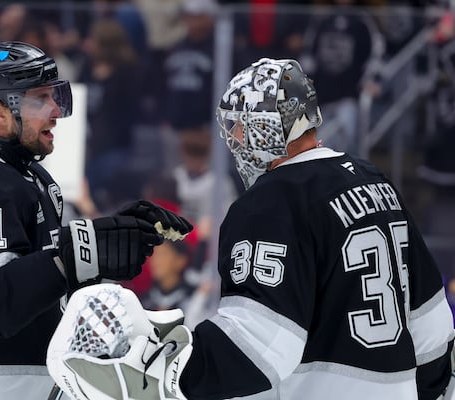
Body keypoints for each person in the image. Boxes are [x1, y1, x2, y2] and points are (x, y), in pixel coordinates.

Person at [50, 58, 455, 400]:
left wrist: (163, 368)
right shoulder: (374, 181)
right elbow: (433, 327)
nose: (235, 139)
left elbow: (258, 345)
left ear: (267, 127)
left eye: (240, 127)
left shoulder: (272, 201)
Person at [0, 41, 192, 400]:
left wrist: (110, 238)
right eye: (40, 99)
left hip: (8, 384)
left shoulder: (34, 180)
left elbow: (43, 286)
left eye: (56, 96)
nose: (56, 111)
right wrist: (79, 251)